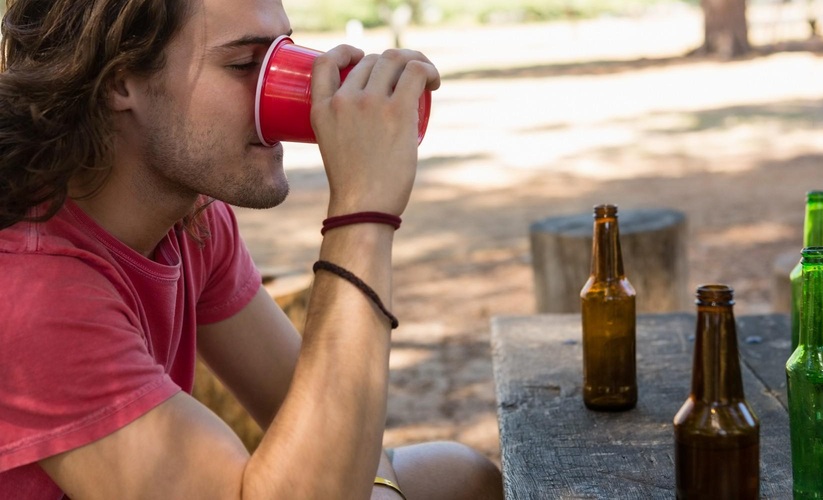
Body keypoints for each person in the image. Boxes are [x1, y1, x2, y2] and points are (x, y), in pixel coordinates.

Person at [0, 0, 503, 498]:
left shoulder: (193, 220)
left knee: (459, 475)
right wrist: (362, 213)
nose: (291, 89)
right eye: (244, 64)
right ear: (119, 81)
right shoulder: (33, 292)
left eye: (284, 53)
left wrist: (380, 489)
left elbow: (323, 416)